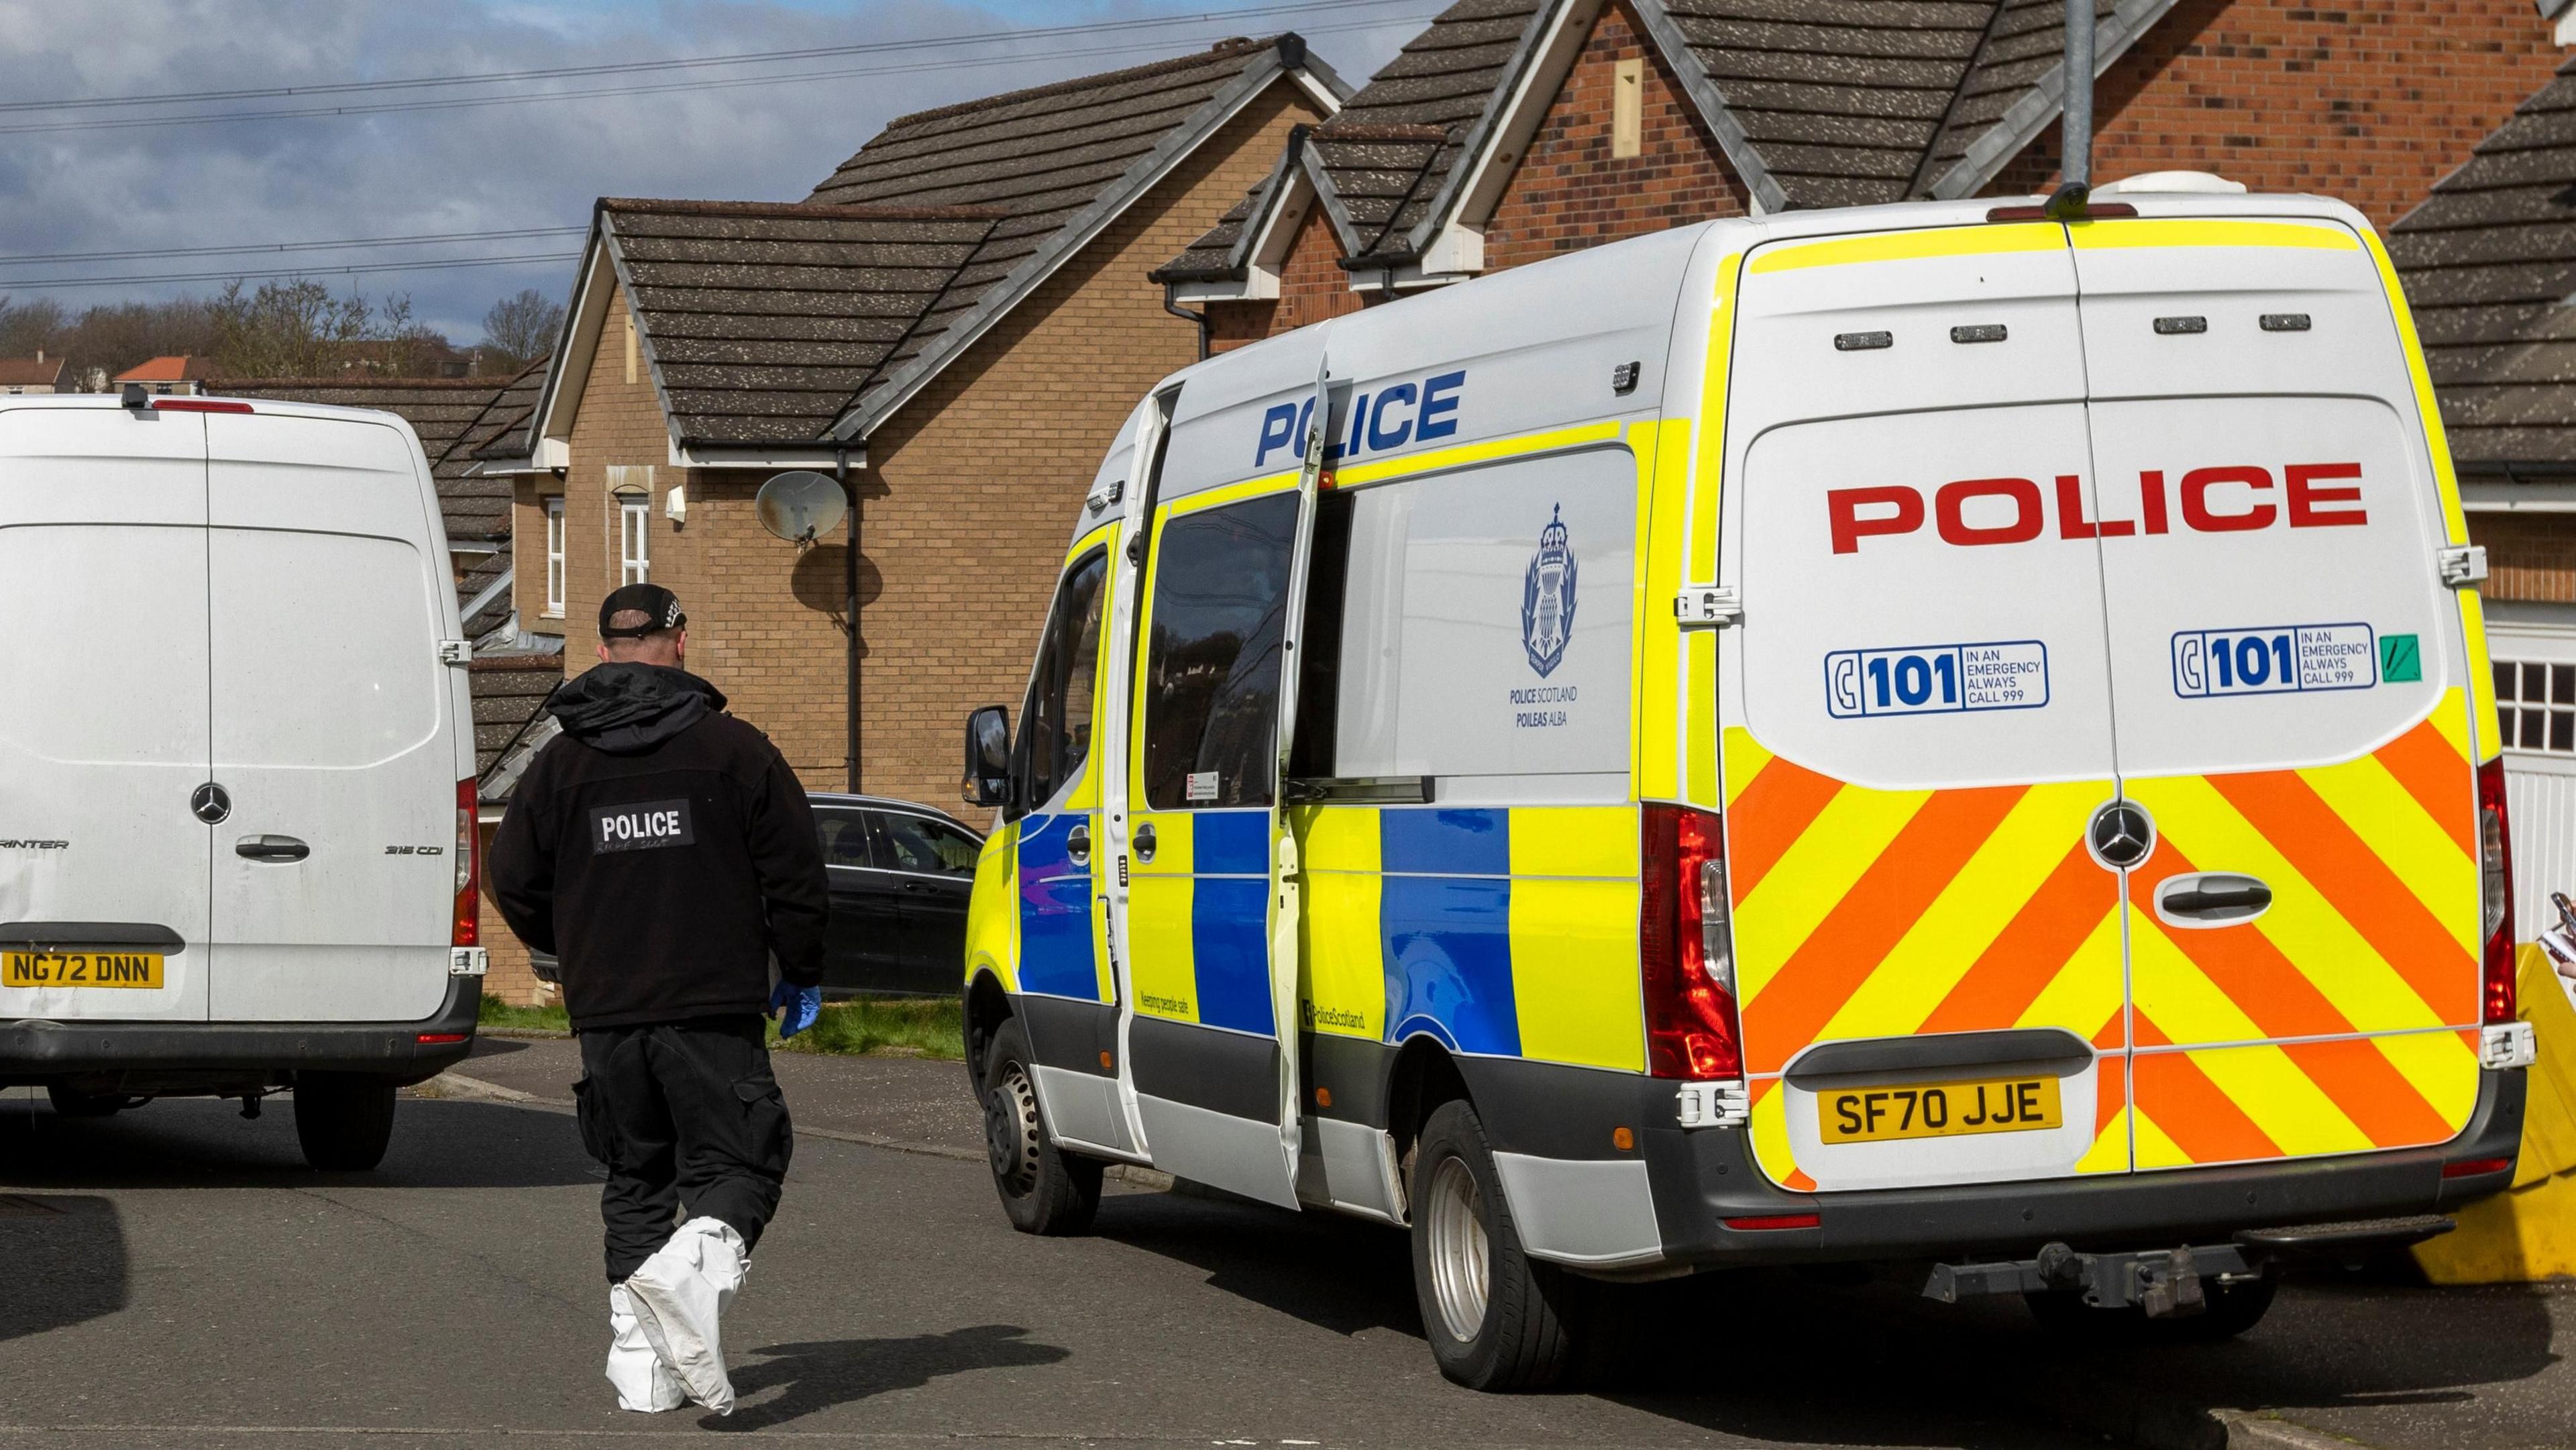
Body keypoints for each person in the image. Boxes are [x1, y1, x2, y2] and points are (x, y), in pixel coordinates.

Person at [489, 582, 829, 1416]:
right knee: (743, 1160)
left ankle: (644, 1373)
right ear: (680, 642)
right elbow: (795, 873)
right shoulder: (735, 751)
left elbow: (511, 879)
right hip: (709, 1007)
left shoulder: (557, 766)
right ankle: (683, 1276)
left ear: (604, 651)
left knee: (637, 1171)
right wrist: (802, 964)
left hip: (606, 1012)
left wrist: (573, 945)